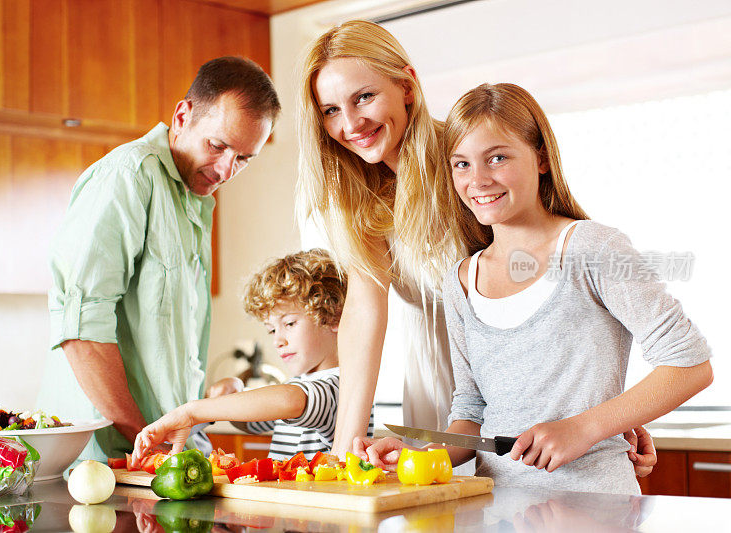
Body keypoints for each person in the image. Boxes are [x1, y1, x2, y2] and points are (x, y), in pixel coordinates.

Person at [296, 19, 656, 476]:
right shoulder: (357, 198)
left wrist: (604, 417)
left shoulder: (467, 162)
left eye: (364, 97)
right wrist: (344, 453)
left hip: (520, 397)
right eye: (330, 110)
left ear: (407, 86)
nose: (350, 123)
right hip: (440, 398)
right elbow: (364, 313)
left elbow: (560, 281)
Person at [358, 83, 713, 494]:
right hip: (499, 511)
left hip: (596, 507)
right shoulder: (460, 281)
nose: (479, 180)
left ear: (541, 157)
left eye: (498, 157)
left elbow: (689, 364)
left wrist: (584, 428)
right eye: (461, 164)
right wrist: (414, 454)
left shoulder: (591, 247)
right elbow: (472, 412)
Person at [38, 56, 280, 463]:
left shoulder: (195, 199)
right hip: (107, 460)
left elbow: (158, 349)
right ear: (183, 116)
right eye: (217, 145)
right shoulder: (128, 176)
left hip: (160, 459)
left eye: (243, 159)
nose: (225, 170)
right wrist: (146, 439)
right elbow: (80, 329)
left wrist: (202, 407)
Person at [131, 249, 373, 464]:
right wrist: (234, 394)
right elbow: (251, 421)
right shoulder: (301, 386)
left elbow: (291, 401)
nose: (278, 340)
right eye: (271, 329)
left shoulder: (342, 387)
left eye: (289, 323)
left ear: (333, 317)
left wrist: (193, 411)